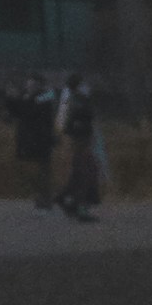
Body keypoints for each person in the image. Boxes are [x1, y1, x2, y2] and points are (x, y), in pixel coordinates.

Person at [58, 73, 104, 220]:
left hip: (81, 141)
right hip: (81, 141)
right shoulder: (78, 102)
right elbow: (79, 122)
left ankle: (67, 199)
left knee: (80, 173)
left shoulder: (75, 100)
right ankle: (80, 207)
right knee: (86, 173)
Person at [11, 76, 58, 213]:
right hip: (32, 140)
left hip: (41, 139)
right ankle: (42, 197)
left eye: (32, 85)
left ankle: (45, 199)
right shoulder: (35, 98)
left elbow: (32, 112)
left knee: (43, 171)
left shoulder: (42, 99)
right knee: (36, 171)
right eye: (28, 85)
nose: (29, 88)